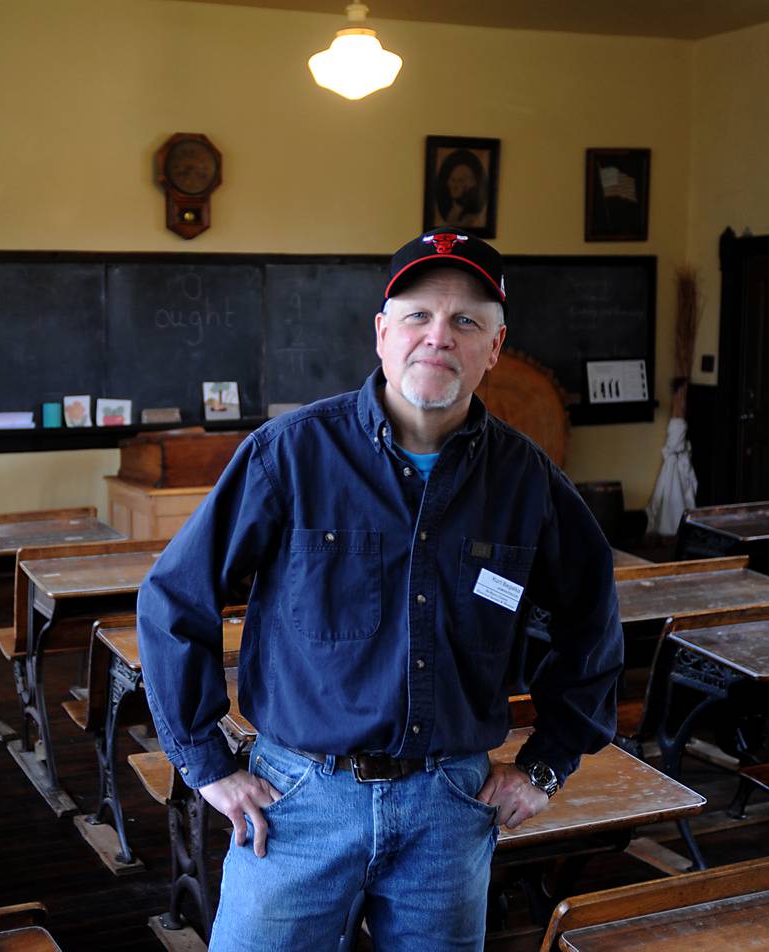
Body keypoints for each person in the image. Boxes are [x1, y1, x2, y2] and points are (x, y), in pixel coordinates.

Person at [137, 228, 623, 950]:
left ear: (495, 347)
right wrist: (205, 765)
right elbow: (176, 600)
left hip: (451, 809)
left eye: (466, 321)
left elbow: (592, 622)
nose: (439, 338)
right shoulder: (292, 453)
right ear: (382, 333)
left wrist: (545, 765)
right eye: (419, 316)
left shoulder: (528, 481)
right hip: (297, 804)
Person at [433, 149, 488, 229]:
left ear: (469, 185)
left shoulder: (471, 215)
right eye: (453, 180)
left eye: (460, 181)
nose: (455, 186)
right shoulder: (449, 211)